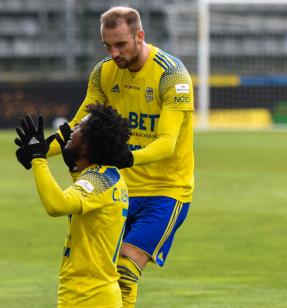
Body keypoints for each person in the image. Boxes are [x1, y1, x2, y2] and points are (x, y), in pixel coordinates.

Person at [47, 6, 195, 307]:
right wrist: (39, 150)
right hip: (121, 190)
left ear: (140, 36)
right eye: (107, 45)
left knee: (126, 270)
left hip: (166, 190)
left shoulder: (171, 75)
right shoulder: (104, 72)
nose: (113, 53)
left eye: (120, 44)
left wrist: (126, 157)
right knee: (107, 272)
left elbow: (167, 143)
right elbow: (77, 127)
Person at [14, 103, 131, 308]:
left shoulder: (99, 180)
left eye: (79, 128)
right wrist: (75, 167)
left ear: (89, 144)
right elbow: (87, 207)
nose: (72, 129)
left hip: (89, 297)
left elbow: (56, 205)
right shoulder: (107, 176)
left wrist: (38, 158)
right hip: (90, 294)